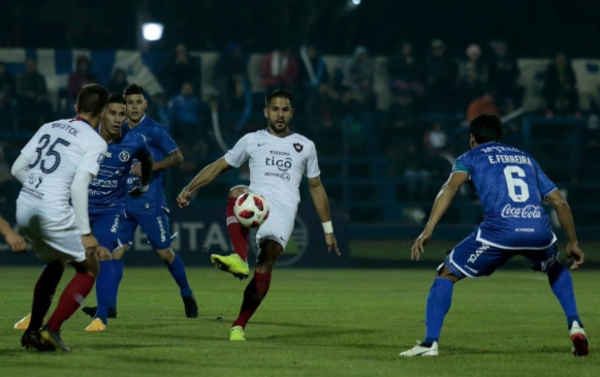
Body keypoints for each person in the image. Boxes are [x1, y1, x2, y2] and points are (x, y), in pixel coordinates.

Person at [400, 114, 589, 357]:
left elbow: (450, 187)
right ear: (500, 136)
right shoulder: (526, 158)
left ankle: (429, 344)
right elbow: (560, 203)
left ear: (472, 138)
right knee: (553, 266)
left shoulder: (470, 157)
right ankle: (575, 324)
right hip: (538, 230)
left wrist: (428, 229)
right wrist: (573, 243)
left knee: (446, 274)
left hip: (500, 231)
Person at [176, 90, 341, 341]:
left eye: (285, 109)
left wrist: (328, 231)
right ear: (266, 112)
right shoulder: (252, 140)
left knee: (266, 261)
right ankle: (240, 258)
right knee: (236, 190)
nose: (280, 114)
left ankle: (239, 325)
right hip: (256, 200)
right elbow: (219, 167)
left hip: (284, 208)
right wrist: (189, 188)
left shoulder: (305, 146)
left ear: (292, 113)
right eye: (275, 109)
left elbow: (316, 188)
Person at [11, 84, 109, 352]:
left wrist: (38, 187)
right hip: (51, 209)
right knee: (90, 268)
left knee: (56, 264)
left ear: (76, 108)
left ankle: (32, 332)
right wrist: (85, 232)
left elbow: (17, 168)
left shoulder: (49, 126)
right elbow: (78, 187)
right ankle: (51, 331)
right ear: (101, 114)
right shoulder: (94, 142)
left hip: (25, 206)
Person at [113, 84, 198, 318]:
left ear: (145, 104)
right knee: (115, 253)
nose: (134, 107)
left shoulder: (155, 130)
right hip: (123, 202)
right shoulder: (117, 130)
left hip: (149, 202)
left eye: (138, 102)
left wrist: (152, 165)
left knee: (165, 254)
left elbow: (178, 156)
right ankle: (109, 306)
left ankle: (187, 294)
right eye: (129, 102)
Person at [82, 94, 153, 331]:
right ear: (102, 113)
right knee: (59, 255)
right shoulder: (85, 137)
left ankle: (101, 317)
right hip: (80, 206)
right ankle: (36, 312)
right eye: (113, 113)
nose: (117, 119)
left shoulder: (133, 141)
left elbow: (147, 159)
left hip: (109, 209)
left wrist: (143, 185)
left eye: (122, 115)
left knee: (103, 251)